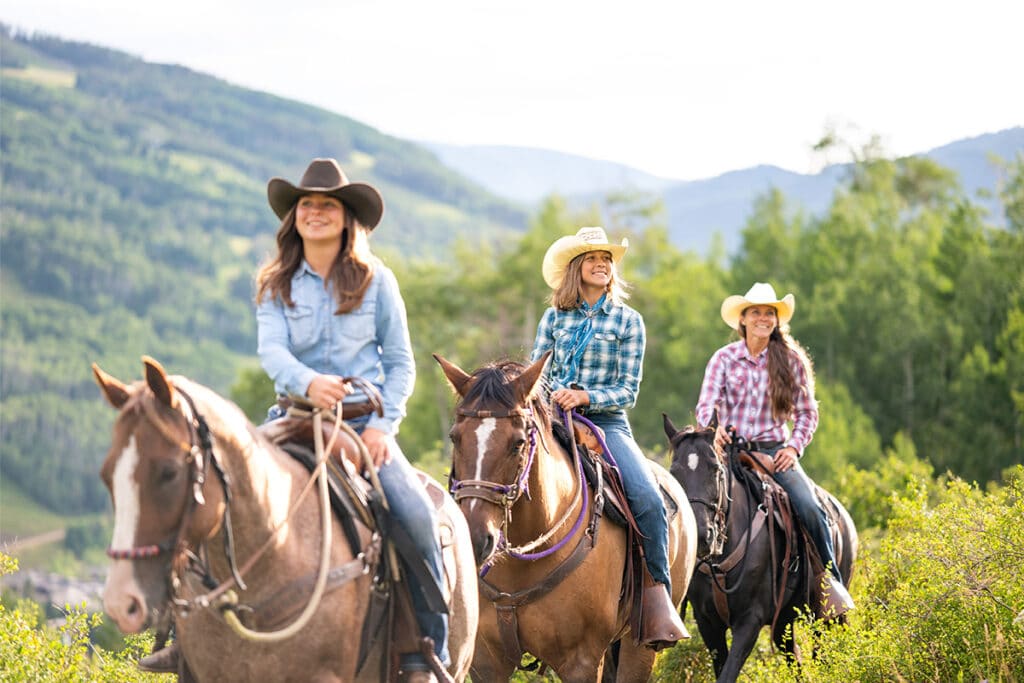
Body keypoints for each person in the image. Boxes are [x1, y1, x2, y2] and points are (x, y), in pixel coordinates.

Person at [138, 158, 447, 683]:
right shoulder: (276, 282)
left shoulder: (377, 282)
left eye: (328, 204)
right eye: (307, 204)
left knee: (415, 515)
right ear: (294, 217)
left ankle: (425, 649)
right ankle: (180, 634)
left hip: (361, 425)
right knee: (215, 496)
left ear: (348, 218)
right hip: (292, 417)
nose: (316, 212)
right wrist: (308, 383)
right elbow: (273, 353)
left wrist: (383, 426)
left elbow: (401, 363)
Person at [530, 226, 688, 650]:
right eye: (592, 258)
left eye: (607, 259)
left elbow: (628, 389)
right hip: (552, 418)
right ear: (576, 269)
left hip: (607, 422)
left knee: (649, 501)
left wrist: (583, 396)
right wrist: (554, 400)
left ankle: (656, 597)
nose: (602, 264)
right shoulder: (553, 318)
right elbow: (535, 372)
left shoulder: (628, 321)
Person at [695, 281, 854, 615]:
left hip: (774, 453)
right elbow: (706, 405)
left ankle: (831, 585)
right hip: (730, 453)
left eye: (769, 313)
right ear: (743, 319)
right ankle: (682, 591)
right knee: (694, 499)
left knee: (809, 507)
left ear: (776, 320)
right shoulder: (723, 359)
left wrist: (794, 449)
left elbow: (808, 413)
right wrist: (715, 428)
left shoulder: (791, 361)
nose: (763, 318)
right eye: (756, 312)